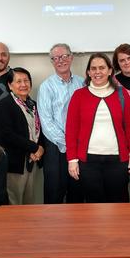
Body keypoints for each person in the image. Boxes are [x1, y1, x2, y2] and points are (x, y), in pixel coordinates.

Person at [66, 53, 130, 203]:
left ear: (110, 71)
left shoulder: (121, 93)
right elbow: (71, 130)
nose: (97, 72)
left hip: (117, 160)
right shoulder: (78, 95)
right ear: (88, 72)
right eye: (93, 68)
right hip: (88, 162)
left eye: (102, 68)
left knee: (118, 204)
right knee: (93, 205)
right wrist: (72, 159)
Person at [37, 43, 84, 204]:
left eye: (64, 56)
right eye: (56, 58)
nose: (60, 61)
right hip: (56, 148)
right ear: (52, 62)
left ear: (71, 58)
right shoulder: (46, 87)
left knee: (77, 192)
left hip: (80, 148)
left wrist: (77, 146)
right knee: (54, 194)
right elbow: (46, 122)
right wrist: (69, 145)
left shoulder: (82, 83)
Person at [0, 67, 44, 205]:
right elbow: (7, 135)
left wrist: (40, 148)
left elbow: (40, 129)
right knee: (15, 202)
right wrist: (34, 147)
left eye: (26, 80)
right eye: (18, 81)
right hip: (15, 162)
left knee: (29, 201)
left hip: (32, 160)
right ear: (10, 85)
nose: (23, 84)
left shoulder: (33, 105)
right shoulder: (4, 104)